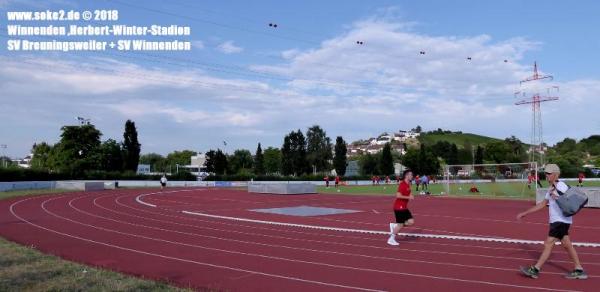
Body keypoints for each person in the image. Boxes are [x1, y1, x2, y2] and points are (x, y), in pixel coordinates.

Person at [517, 164, 587, 280]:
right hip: (559, 221)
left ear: (556, 174)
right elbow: (542, 204)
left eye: (549, 174)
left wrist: (559, 196)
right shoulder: (550, 188)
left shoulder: (561, 185)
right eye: (546, 173)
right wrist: (525, 213)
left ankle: (535, 269)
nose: (546, 175)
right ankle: (579, 269)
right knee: (566, 244)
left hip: (561, 220)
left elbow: (570, 201)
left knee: (548, 243)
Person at [388, 169, 415, 246]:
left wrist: (410, 196)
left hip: (404, 207)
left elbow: (408, 194)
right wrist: (408, 197)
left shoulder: (408, 184)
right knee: (400, 224)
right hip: (399, 207)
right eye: (411, 175)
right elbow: (398, 195)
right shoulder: (402, 184)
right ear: (407, 175)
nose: (412, 176)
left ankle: (394, 226)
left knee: (411, 222)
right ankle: (391, 239)